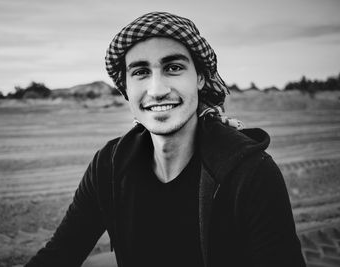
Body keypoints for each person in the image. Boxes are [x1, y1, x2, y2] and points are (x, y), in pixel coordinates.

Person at [25, 12, 306, 267]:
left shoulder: (250, 172)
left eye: (173, 68)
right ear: (126, 87)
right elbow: (59, 255)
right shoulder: (109, 165)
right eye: (140, 72)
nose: (157, 90)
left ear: (200, 78)